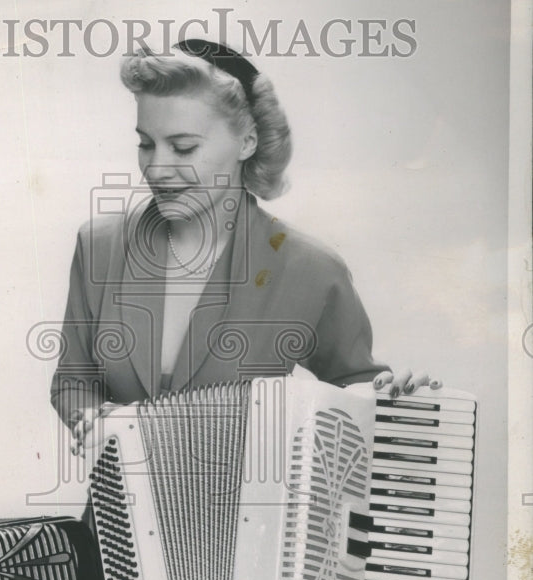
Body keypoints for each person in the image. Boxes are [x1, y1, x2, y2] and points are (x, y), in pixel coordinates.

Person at [50, 39, 439, 457]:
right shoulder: (98, 247)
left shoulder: (310, 268)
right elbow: (73, 381)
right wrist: (94, 421)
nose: (157, 168)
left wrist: (392, 399)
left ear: (248, 142)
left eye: (184, 147)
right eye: (146, 144)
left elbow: (355, 393)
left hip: (255, 519)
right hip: (116, 517)